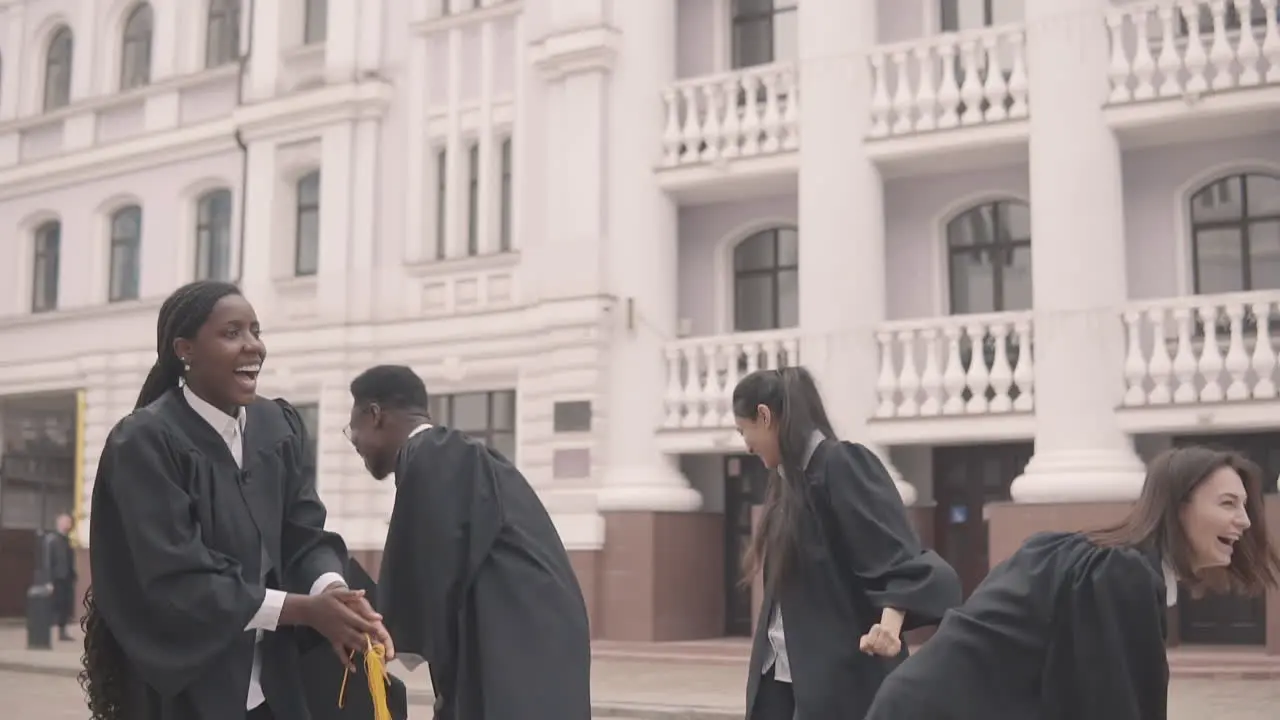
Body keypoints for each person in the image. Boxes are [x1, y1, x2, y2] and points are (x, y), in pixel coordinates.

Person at [79, 280, 392, 720]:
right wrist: (306, 610)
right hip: (188, 687)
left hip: (273, 687)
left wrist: (334, 592)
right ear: (185, 349)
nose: (254, 347)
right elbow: (177, 579)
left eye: (256, 331)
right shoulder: (146, 442)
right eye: (232, 333)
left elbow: (303, 534)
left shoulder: (275, 427)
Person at [864, 445, 1280, 720]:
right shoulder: (1120, 573)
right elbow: (1110, 704)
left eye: (1245, 505)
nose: (1244, 520)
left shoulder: (1092, 557)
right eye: (1228, 503)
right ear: (1177, 506)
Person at [344, 365, 592, 720]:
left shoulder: (434, 452)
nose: (354, 441)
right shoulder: (451, 455)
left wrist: (375, 624)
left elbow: (428, 572)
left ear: (375, 415)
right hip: (522, 640)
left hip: (518, 648)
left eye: (353, 428)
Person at [731, 367, 962, 720]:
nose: (746, 445)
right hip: (782, 679)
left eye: (743, 431)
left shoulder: (841, 465)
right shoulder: (786, 483)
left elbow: (893, 554)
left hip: (838, 683)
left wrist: (889, 626)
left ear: (764, 416)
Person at [40, 512, 77, 641]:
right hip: (57, 578)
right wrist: (48, 581)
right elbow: (47, 561)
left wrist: (73, 574)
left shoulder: (67, 540)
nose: (69, 524)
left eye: (69, 522)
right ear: (59, 523)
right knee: (57, 605)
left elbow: (69, 559)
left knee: (65, 605)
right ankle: (52, 632)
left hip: (66, 577)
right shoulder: (52, 539)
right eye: (66, 522)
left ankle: (63, 632)